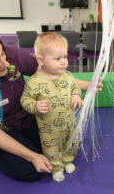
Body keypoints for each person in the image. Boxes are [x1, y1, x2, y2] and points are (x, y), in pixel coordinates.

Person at [0, 22, 103, 181]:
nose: (6, 64)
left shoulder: (13, 57)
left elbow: (49, 72)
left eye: (3, 54)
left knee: (60, 144)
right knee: (31, 169)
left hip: (25, 118)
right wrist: (32, 157)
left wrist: (87, 86)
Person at [20, 32, 82, 182]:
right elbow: (25, 100)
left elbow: (75, 88)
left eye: (65, 57)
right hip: (49, 127)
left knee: (71, 142)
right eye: (57, 59)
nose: (63, 62)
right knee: (51, 147)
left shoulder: (67, 75)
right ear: (41, 60)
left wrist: (76, 96)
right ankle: (57, 167)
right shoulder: (34, 82)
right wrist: (34, 105)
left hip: (69, 123)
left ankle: (67, 160)